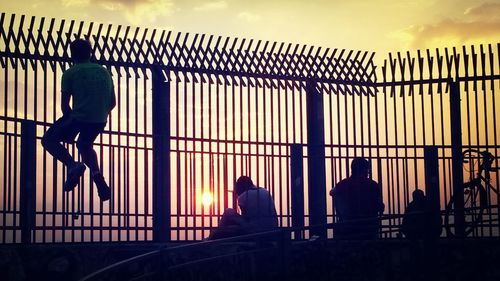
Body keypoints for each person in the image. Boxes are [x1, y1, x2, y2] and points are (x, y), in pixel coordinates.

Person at [41, 39, 115, 201]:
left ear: (72, 54)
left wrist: (67, 124)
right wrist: (100, 114)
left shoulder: (70, 73)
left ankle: (73, 165)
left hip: (79, 117)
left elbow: (64, 105)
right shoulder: (104, 72)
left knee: (48, 140)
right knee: (83, 144)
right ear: (90, 53)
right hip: (100, 119)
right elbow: (112, 102)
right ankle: (97, 177)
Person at [330, 157, 385, 239]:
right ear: (364, 170)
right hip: (368, 227)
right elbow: (379, 206)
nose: (368, 172)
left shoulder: (343, 184)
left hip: (347, 227)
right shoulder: (372, 185)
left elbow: (332, 192)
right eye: (367, 169)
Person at [209, 176, 279, 239]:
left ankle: (215, 235)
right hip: (272, 228)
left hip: (256, 230)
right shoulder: (264, 191)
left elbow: (245, 217)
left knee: (228, 211)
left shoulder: (244, 196)